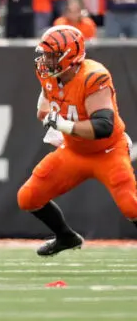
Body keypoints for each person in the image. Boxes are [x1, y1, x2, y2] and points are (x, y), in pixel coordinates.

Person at [17, 25, 137, 257]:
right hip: (74, 150)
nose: (45, 60)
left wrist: (62, 124)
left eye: (51, 55)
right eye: (45, 54)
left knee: (130, 204)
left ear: (69, 56)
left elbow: (103, 126)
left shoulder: (94, 76)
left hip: (108, 150)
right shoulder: (48, 73)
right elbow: (46, 99)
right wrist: (45, 106)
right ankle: (66, 237)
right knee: (28, 197)